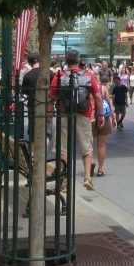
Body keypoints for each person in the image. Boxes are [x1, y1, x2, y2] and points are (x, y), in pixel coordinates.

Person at [49, 49, 103, 190]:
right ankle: (87, 177)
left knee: (63, 148)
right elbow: (97, 97)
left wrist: (49, 113)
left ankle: (65, 179)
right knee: (87, 148)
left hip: (64, 114)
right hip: (83, 114)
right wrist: (101, 115)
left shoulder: (59, 76)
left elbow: (51, 96)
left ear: (66, 61)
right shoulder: (89, 75)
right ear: (79, 61)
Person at [94, 91, 116, 176]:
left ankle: (90, 164)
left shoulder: (86, 85)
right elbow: (109, 105)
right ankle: (100, 169)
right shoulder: (103, 89)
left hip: (90, 118)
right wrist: (113, 118)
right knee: (101, 145)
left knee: (88, 144)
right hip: (104, 118)